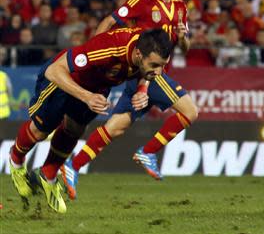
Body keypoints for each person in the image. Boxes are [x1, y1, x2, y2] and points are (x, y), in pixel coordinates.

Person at [61, 0, 198, 200]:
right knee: (190, 111)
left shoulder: (181, 7)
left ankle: (73, 165)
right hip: (144, 72)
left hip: (151, 73)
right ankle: (148, 151)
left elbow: (185, 47)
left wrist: (183, 36)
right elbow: (108, 21)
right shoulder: (142, 2)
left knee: (115, 128)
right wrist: (92, 53)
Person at [9, 27, 173, 214]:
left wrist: (142, 90)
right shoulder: (109, 49)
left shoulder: (148, 49)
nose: (159, 72)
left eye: (163, 65)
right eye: (154, 65)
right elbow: (54, 71)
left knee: (75, 128)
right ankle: (16, 161)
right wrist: (86, 97)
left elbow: (144, 72)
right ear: (137, 53)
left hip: (97, 87)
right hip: (64, 81)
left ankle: (48, 175)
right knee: (40, 131)